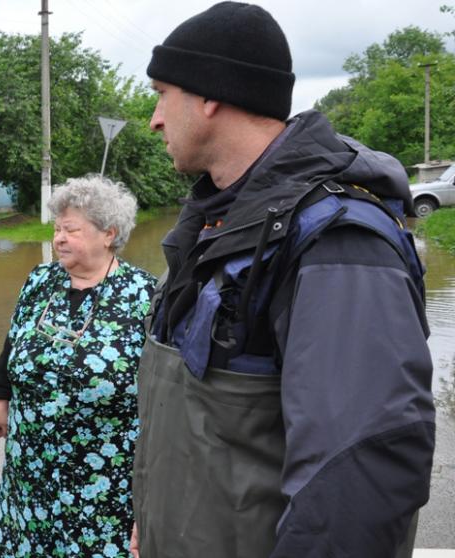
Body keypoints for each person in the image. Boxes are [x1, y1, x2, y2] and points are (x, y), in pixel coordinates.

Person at [131, 3, 435, 558]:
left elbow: (357, 481)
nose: (154, 118)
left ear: (209, 95)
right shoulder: (214, 222)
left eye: (161, 94)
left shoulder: (336, 238)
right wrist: (151, 518)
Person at [0, 175, 154, 558]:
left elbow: (166, 392)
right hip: (31, 469)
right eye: (57, 229)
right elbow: (14, 342)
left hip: (105, 479)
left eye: (71, 230)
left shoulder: (146, 296)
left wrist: (152, 494)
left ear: (108, 234)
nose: (59, 238)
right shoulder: (39, 282)